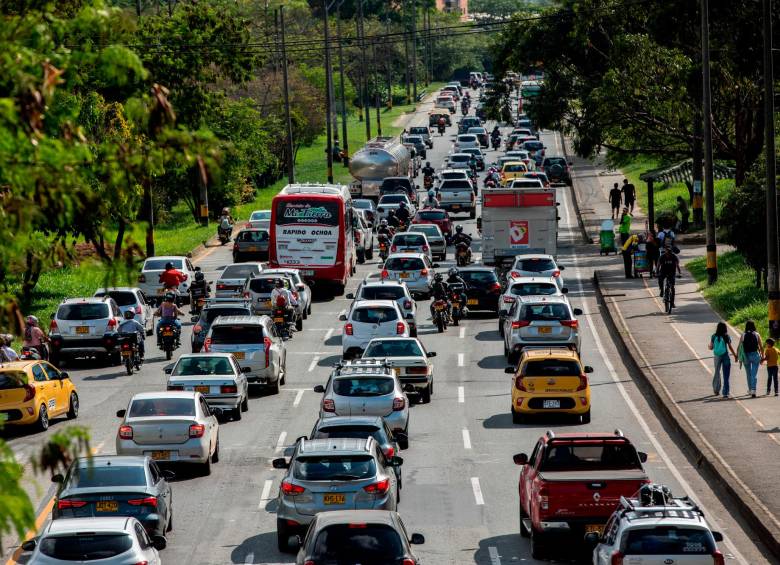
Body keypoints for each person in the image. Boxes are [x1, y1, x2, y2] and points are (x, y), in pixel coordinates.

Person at [709, 322, 737, 398]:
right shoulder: (726, 336)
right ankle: (725, 392)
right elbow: (730, 347)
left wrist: (709, 345)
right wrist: (735, 355)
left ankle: (716, 389)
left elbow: (711, 347)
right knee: (726, 375)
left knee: (717, 372)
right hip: (725, 356)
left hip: (717, 356)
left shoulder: (713, 336)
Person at [738, 320, 763, 398]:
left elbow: (739, 347)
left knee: (748, 374)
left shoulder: (743, 335)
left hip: (746, 356)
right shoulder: (757, 334)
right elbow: (761, 347)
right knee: (754, 374)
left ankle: (750, 389)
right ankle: (753, 390)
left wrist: (738, 357)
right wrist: (762, 355)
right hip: (755, 355)